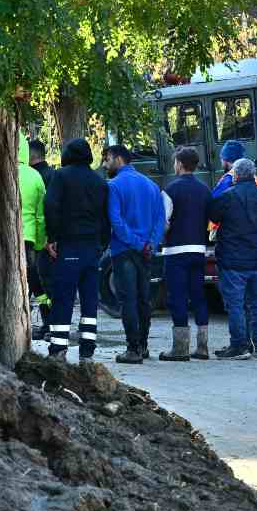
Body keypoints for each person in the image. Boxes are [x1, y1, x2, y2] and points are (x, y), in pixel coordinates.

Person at [0, 131, 46, 351]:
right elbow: (41, 216)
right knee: (20, 295)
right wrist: (41, 243)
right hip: (26, 245)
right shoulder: (35, 177)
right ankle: (18, 347)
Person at [44, 138, 109, 363]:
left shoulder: (60, 176)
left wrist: (52, 237)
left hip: (69, 245)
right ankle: (87, 352)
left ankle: (59, 349)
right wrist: (102, 244)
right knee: (90, 300)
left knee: (63, 298)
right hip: (92, 248)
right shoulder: (100, 181)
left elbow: (51, 206)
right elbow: (105, 217)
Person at [105, 144, 165, 364]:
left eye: (106, 159)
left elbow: (116, 220)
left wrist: (136, 243)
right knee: (143, 299)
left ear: (116, 158)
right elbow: (160, 219)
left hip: (124, 250)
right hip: (146, 251)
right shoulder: (151, 185)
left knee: (128, 299)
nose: (105, 164)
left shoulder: (114, 186)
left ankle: (133, 348)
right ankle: (144, 345)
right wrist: (150, 243)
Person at [209, 158, 257, 359]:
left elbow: (213, 215)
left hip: (233, 260)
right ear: (253, 175)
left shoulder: (228, 197)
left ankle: (239, 346)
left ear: (235, 175)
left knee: (235, 305)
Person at [159, 146, 211, 361]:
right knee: (199, 295)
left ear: (179, 164)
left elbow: (163, 222)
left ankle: (180, 349)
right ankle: (202, 346)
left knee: (177, 297)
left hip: (175, 251)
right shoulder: (205, 190)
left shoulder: (170, 189)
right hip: (198, 249)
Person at [28, 139, 55, 340]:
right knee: (46, 286)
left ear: (31, 155)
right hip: (51, 240)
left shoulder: (34, 176)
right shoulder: (53, 174)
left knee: (40, 286)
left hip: (39, 241)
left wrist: (42, 240)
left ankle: (49, 325)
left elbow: (40, 212)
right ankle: (50, 324)